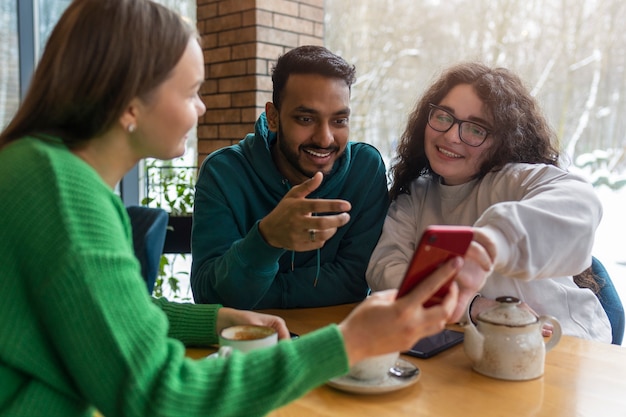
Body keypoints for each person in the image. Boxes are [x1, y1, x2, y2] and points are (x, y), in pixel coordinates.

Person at [0, 1, 465, 416]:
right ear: (129, 103)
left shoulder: (38, 169)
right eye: (190, 92)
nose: (202, 108)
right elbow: (162, 396)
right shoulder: (64, 193)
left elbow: (119, 313)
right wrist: (350, 342)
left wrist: (214, 318)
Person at [366, 62, 612, 342]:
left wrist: (494, 240)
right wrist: (472, 305)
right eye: (444, 116)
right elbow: (385, 270)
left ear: (501, 142)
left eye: (475, 129)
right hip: (479, 348)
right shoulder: (416, 197)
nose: (450, 136)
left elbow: (579, 201)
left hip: (564, 342)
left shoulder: (513, 180)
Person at [190, 45, 389, 309]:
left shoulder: (365, 169)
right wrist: (266, 240)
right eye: (306, 119)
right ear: (273, 117)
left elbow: (354, 282)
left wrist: (257, 291)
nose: (325, 138)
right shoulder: (224, 172)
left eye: (339, 121)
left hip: (335, 339)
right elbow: (208, 296)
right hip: (251, 342)